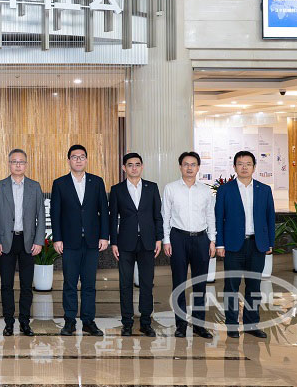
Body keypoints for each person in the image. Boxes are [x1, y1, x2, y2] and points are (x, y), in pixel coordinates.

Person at [216, 150, 275, 339]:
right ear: (234, 167)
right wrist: (220, 244)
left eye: (248, 164)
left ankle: (251, 324)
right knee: (231, 286)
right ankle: (232, 325)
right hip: (234, 246)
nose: (244, 167)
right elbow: (219, 218)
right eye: (240, 164)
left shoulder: (264, 190)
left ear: (254, 167)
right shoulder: (225, 190)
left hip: (257, 245)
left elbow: (270, 218)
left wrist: (270, 242)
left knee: (254, 286)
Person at [51, 144, 109, 337]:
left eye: (82, 156)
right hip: (69, 242)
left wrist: (104, 236)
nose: (78, 160)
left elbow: (104, 211)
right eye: (74, 157)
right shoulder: (60, 183)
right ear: (69, 160)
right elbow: (55, 213)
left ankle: (88, 321)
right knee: (69, 283)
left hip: (92, 242)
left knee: (89, 284)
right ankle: (69, 321)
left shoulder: (97, 182)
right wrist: (57, 238)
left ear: (86, 160)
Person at [0, 148, 46, 337]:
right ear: (9, 164)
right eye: (14, 162)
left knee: (26, 285)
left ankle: (24, 322)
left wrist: (39, 241)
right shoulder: (0, 186)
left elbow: (41, 216)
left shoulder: (34, 186)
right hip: (6, 241)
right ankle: (8, 322)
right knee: (6, 284)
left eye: (21, 162)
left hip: (28, 242)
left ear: (26, 165)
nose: (18, 165)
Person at [162, 152, 216, 339]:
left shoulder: (205, 190)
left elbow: (210, 216)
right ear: (180, 167)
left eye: (193, 164)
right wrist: (166, 240)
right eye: (186, 164)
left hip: (201, 239)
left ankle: (199, 325)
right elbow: (165, 216)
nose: (189, 168)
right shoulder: (170, 188)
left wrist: (212, 240)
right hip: (178, 238)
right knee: (179, 283)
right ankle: (181, 325)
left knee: (200, 284)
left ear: (198, 167)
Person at [109, 153, 163, 337]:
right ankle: (127, 322)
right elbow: (112, 218)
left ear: (142, 166)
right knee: (125, 284)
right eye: (130, 165)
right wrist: (113, 242)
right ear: (124, 168)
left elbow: (157, 215)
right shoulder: (117, 190)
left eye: (137, 164)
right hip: (125, 243)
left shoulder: (151, 187)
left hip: (148, 242)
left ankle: (146, 322)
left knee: (147, 283)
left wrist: (159, 239)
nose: (134, 168)